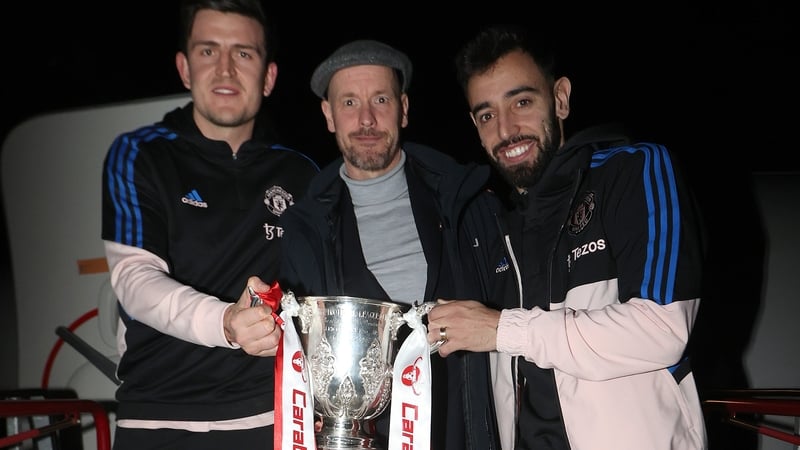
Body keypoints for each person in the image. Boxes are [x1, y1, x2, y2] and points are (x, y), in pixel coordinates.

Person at [426, 24, 708, 449]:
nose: (506, 130)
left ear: (560, 98)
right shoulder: (494, 223)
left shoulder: (631, 170)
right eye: (487, 115)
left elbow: (663, 328)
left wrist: (502, 329)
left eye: (521, 101)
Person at [100, 1, 319, 449]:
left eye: (243, 53)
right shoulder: (140, 153)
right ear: (184, 68)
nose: (224, 69)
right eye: (207, 51)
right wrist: (226, 322)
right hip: (158, 422)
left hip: (273, 420)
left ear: (269, 76)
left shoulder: (304, 174)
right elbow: (134, 279)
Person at [278, 39, 506, 449]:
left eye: (380, 99)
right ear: (328, 115)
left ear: (403, 108)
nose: (366, 119)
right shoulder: (303, 229)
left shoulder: (469, 202)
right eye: (349, 103)